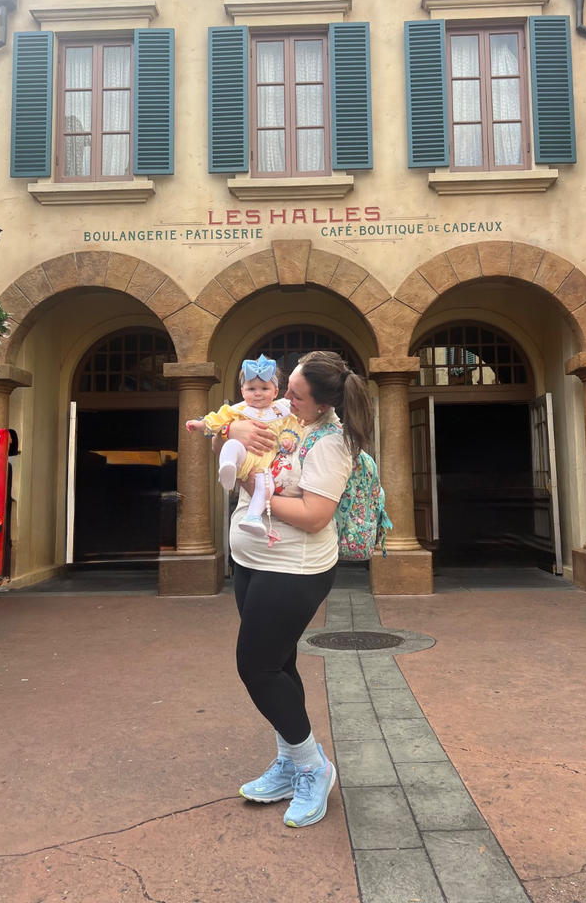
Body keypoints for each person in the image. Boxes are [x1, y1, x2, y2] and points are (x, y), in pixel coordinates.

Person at [215, 350, 374, 828]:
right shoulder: (287, 418)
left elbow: (314, 516)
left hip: (294, 569)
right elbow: (238, 424)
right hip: (251, 560)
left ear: (323, 404)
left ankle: (312, 767)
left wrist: (259, 495)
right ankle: (290, 759)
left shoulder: (331, 444)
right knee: (279, 663)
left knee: (256, 666)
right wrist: (232, 431)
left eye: (296, 395)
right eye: (288, 389)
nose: (286, 398)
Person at [186, 354, 301, 538]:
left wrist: (288, 440)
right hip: (243, 456)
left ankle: (253, 517)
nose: (257, 393)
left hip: (264, 465)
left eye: (264, 388)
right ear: (242, 391)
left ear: (275, 391)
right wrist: (200, 425)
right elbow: (217, 419)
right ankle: (227, 468)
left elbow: (291, 428)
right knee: (232, 445)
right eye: (251, 388)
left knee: (267, 487)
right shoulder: (238, 410)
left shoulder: (280, 411)